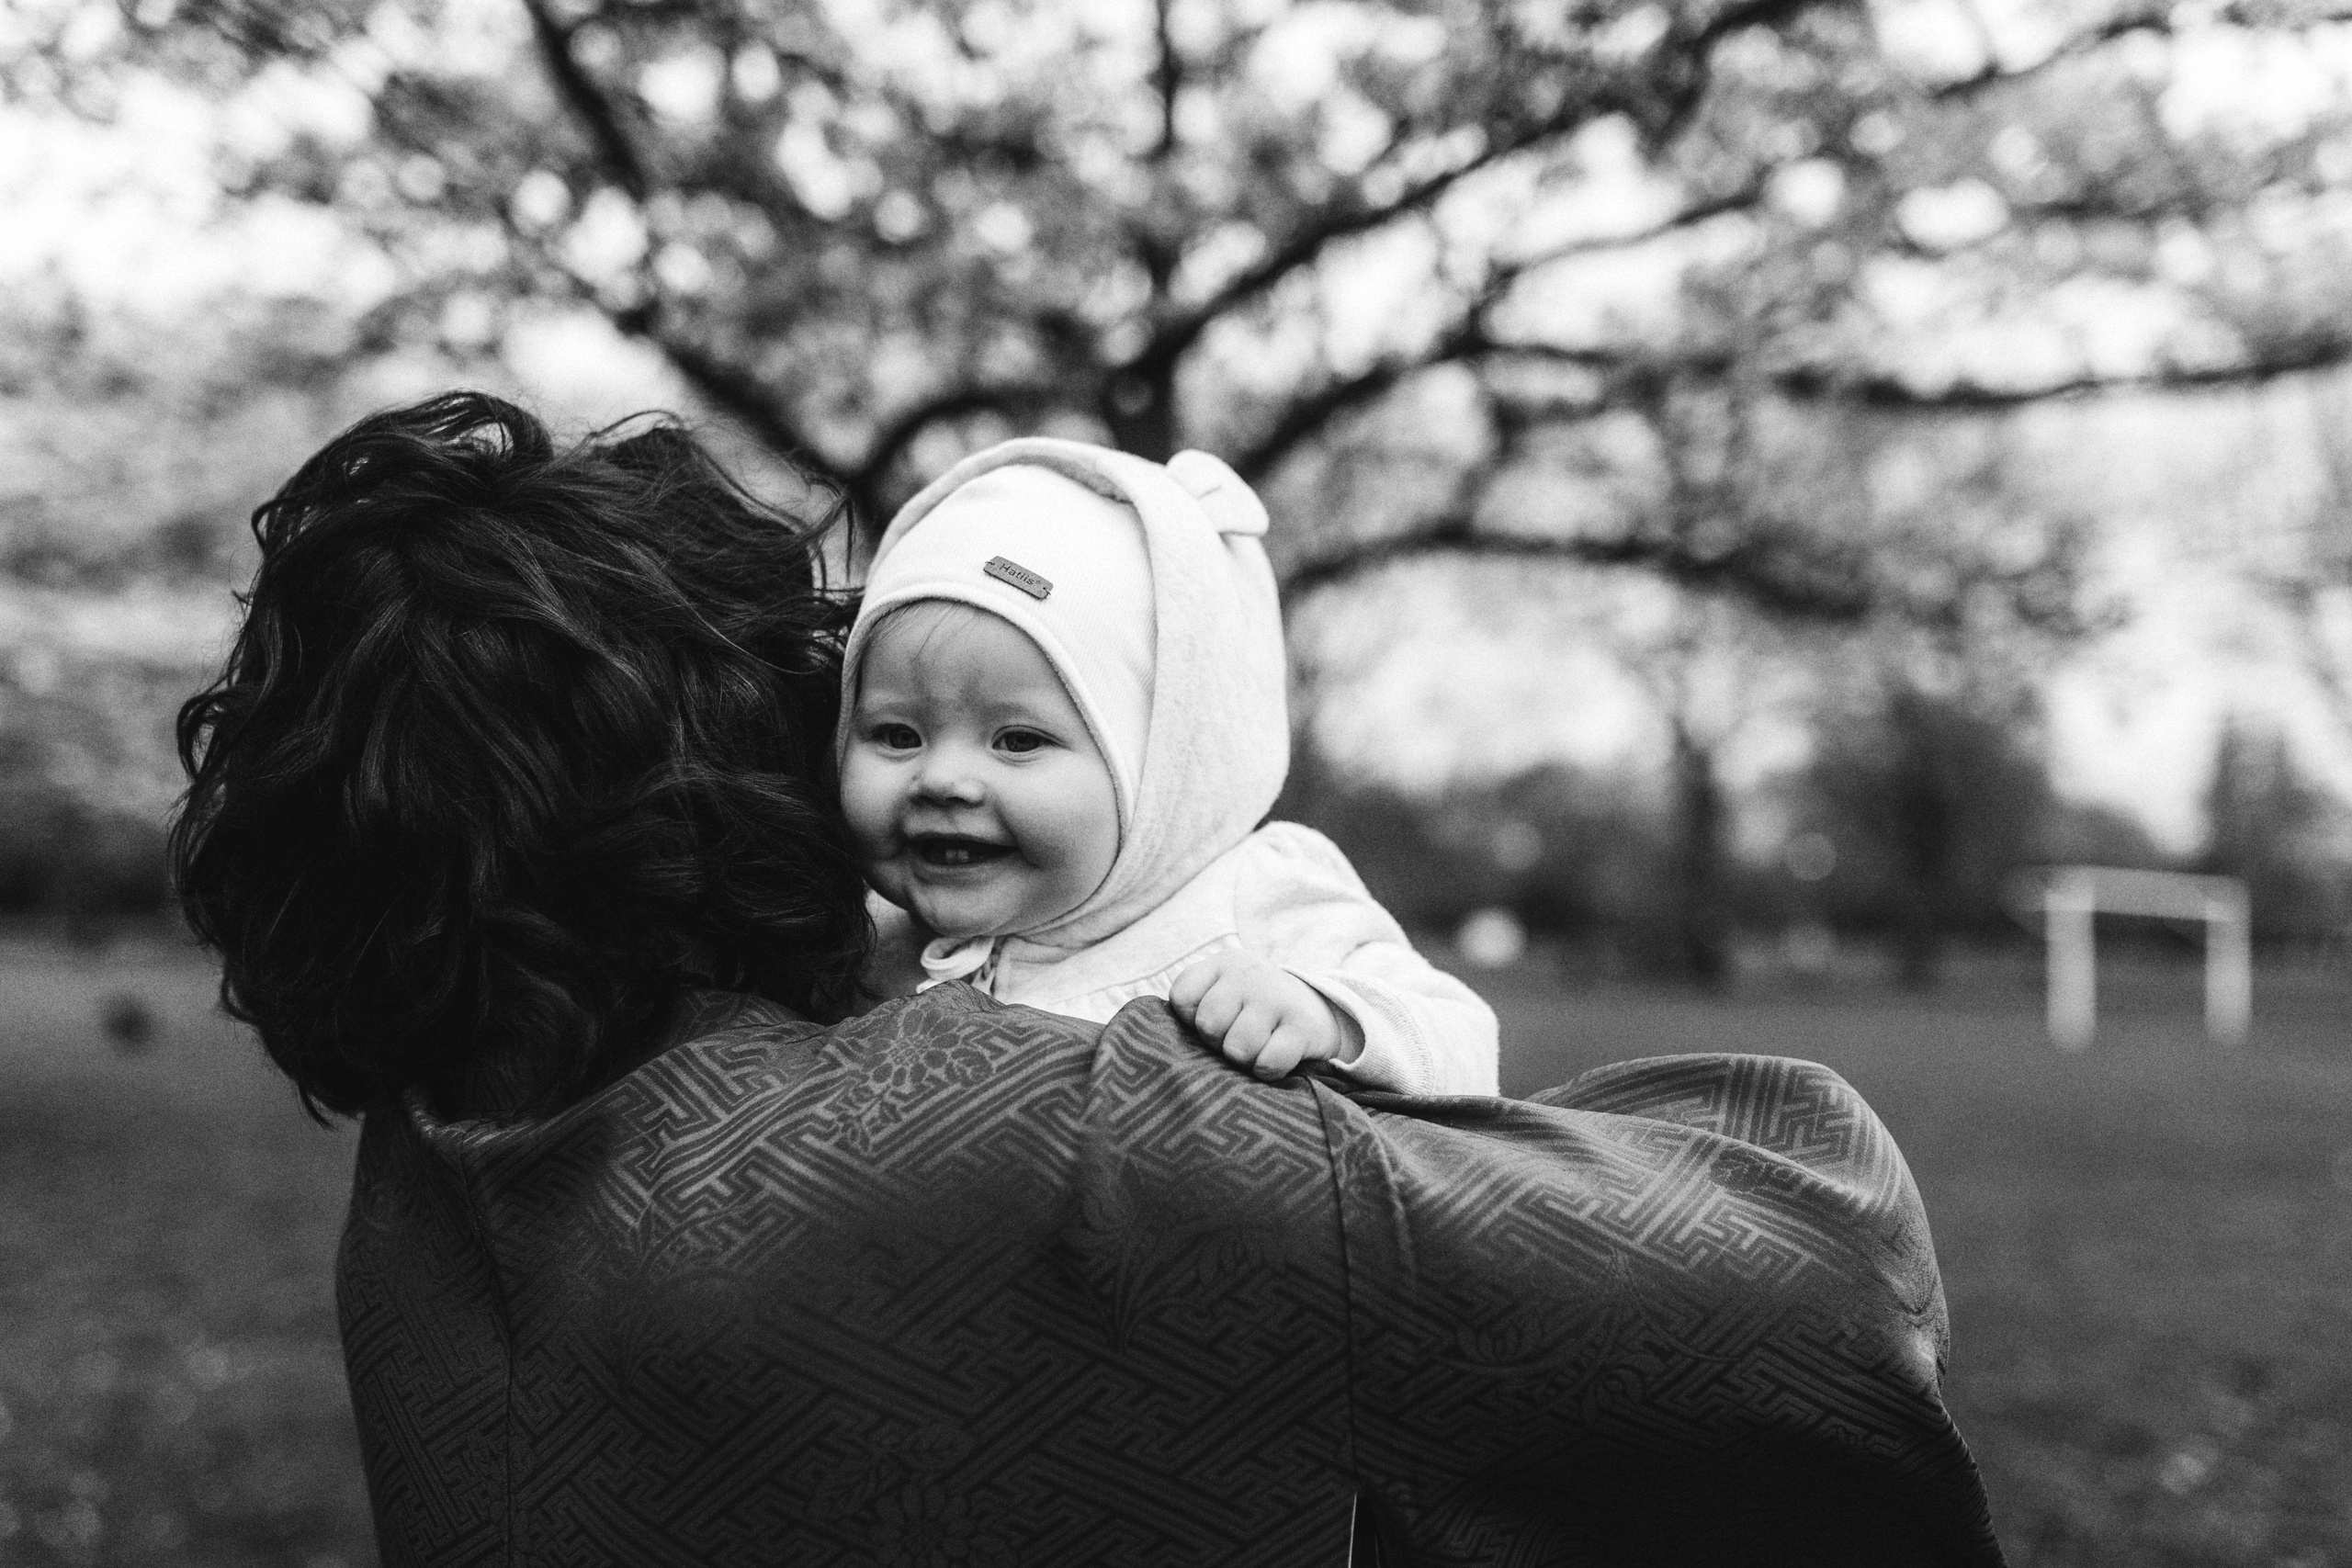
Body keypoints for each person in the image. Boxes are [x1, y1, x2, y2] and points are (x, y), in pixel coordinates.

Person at [173, 392, 2007, 1566]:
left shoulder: (430, 1156)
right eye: (856, 717)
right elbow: (1807, 1286)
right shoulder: (1068, 1144)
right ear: (738, 780)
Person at [840, 438, 1498, 1094]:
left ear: (1158, 767)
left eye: (1016, 740)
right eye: (898, 734)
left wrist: (1328, 1016)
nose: (942, 779)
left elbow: (1463, 1042)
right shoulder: (861, 937)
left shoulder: (1249, 902)